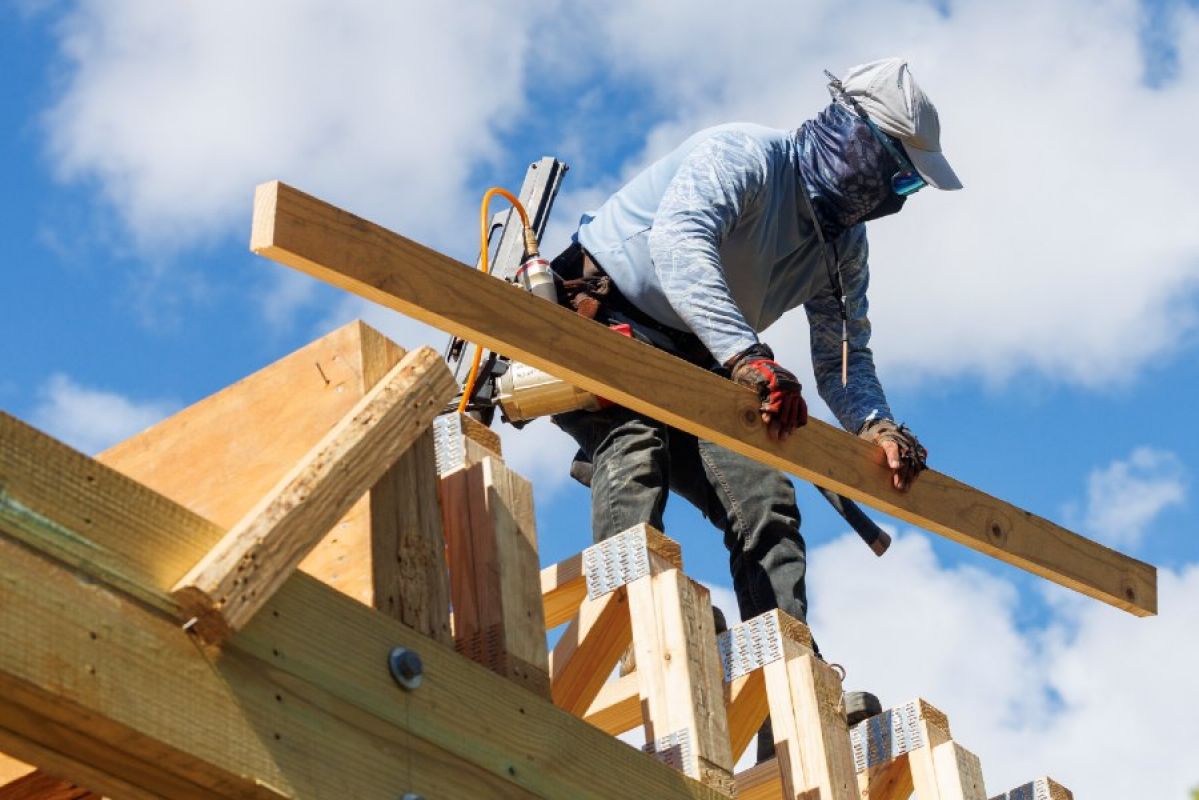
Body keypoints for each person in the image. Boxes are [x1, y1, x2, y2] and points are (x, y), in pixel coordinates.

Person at [550, 57, 959, 758]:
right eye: (893, 174)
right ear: (853, 140)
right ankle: (634, 630)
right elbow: (678, 246)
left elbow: (844, 357)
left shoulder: (841, 246)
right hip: (601, 314)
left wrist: (876, 425)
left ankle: (787, 700)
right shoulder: (741, 154)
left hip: (704, 353)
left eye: (905, 187)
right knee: (635, 440)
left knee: (764, 498)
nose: (890, 197)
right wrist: (746, 356)